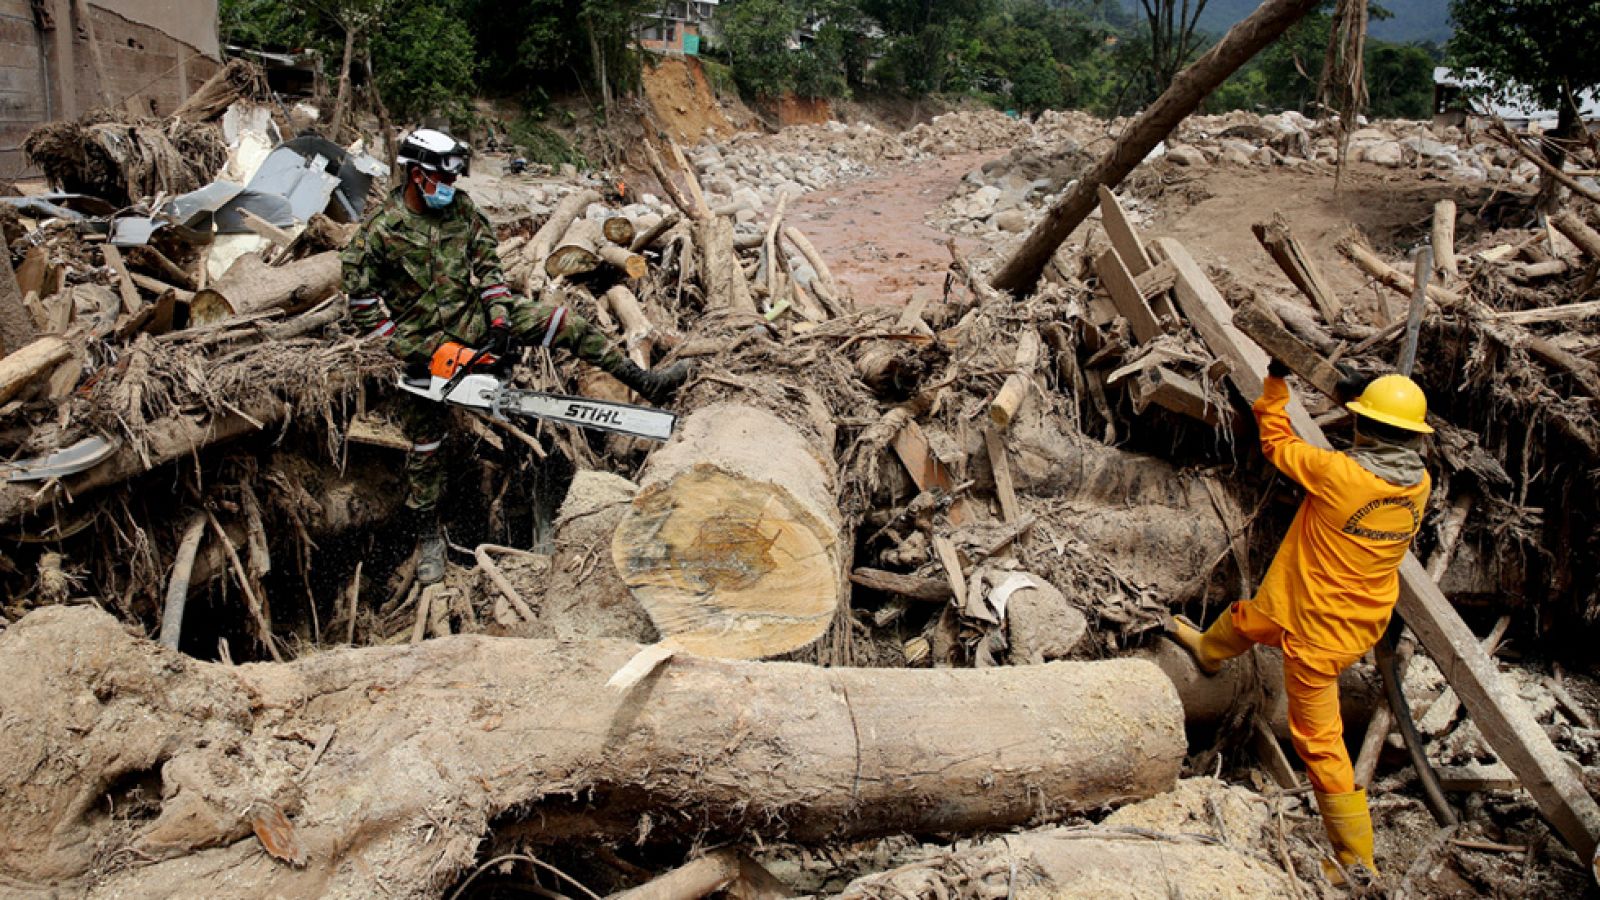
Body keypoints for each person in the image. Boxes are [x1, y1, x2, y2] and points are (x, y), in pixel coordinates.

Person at [341, 128, 687, 584]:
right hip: (424, 343)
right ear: (414, 174)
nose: (448, 188)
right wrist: (408, 352)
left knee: (564, 323)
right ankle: (429, 538)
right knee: (426, 447)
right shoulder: (380, 230)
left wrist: (500, 316)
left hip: (475, 318)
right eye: (438, 178)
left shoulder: (461, 209)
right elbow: (362, 301)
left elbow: (487, 266)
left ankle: (646, 382)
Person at [1169, 362, 1433, 882]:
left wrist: (1274, 386)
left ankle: (1355, 859)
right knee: (1256, 618)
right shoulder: (1418, 484)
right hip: (1358, 618)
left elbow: (1277, 442)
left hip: (1317, 635)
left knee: (1320, 743)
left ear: (1366, 428)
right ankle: (1209, 649)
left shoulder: (1340, 476)